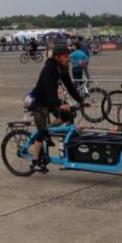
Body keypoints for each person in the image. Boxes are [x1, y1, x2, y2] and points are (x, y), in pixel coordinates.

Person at [28, 44, 89, 173]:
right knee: (42, 130)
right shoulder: (49, 69)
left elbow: (70, 86)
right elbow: (47, 90)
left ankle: (46, 131)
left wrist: (82, 101)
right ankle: (34, 162)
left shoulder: (61, 68)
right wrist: (60, 103)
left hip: (50, 101)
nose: (68, 59)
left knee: (67, 115)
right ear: (57, 57)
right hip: (39, 101)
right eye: (66, 56)